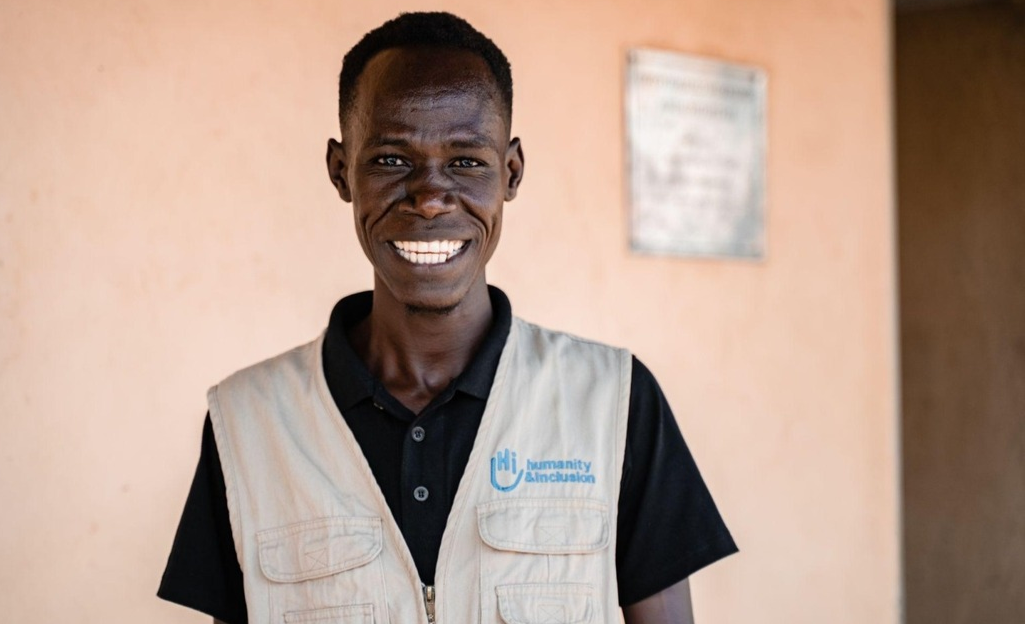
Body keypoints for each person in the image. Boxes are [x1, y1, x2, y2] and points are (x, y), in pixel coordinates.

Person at [158, 11, 736, 624]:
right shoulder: (248, 424)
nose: (430, 197)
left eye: (465, 162)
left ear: (510, 172)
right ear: (340, 170)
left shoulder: (612, 404)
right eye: (389, 160)